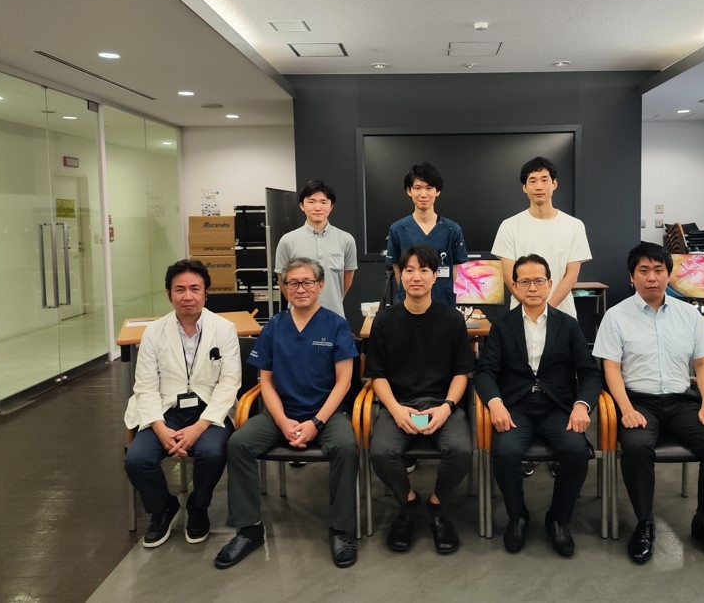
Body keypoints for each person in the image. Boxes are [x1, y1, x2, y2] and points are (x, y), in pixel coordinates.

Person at [593, 242, 704, 567]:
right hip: (638, 402)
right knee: (636, 446)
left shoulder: (689, 315)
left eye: (658, 270)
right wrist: (626, 409)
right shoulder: (616, 317)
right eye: (643, 270)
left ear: (668, 274)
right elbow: (610, 369)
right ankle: (645, 523)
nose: (652, 277)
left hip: (681, 401)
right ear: (631, 277)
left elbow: (703, 364)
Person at [214, 257, 360, 569]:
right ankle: (249, 529)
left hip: (327, 415)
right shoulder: (274, 327)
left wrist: (316, 422)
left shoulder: (336, 325)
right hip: (281, 413)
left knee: (346, 447)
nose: (300, 288)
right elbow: (265, 382)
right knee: (238, 443)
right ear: (283, 287)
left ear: (320, 286)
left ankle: (341, 530)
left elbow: (344, 381)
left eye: (307, 282)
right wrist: (282, 421)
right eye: (292, 283)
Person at [475, 254, 601, 557]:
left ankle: (558, 519)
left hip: (557, 407)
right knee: (505, 452)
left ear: (549, 284)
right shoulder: (502, 326)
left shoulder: (568, 325)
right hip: (515, 406)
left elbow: (590, 373)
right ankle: (517, 517)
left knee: (576, 451)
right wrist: (495, 403)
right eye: (525, 282)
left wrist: (582, 405)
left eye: (539, 280)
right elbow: (485, 372)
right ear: (515, 286)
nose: (532, 287)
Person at [124, 259, 241, 548]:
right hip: (165, 410)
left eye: (194, 289)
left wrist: (200, 427)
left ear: (206, 293)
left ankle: (198, 506)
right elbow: (145, 385)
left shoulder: (224, 329)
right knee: (137, 459)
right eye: (180, 290)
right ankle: (163, 507)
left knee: (211, 452)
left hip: (209, 409)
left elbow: (229, 383)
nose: (187, 296)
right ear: (169, 294)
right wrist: (160, 428)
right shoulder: (154, 332)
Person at [366, 244, 474, 555]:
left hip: (442, 404)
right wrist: (395, 409)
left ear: (435, 276)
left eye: (424, 270)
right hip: (398, 404)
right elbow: (377, 375)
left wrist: (447, 407)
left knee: (460, 450)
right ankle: (409, 503)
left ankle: (437, 505)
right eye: (409, 270)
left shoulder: (452, 319)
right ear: (399, 275)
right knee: (381, 452)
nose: (416, 277)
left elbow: (462, 373)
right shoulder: (384, 320)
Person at [492, 156, 591, 320]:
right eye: (532, 181)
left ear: (554, 184)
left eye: (544, 180)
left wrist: (548, 310)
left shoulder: (574, 225)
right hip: (522, 315)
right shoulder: (509, 226)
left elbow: (572, 275)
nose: (539, 186)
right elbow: (509, 276)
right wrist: (532, 309)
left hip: (562, 315)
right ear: (524, 187)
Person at [386, 162, 468, 307]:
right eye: (417, 188)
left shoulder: (452, 230)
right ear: (409, 191)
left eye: (429, 188)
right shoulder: (397, 230)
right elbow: (397, 267)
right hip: (408, 306)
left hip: (442, 304)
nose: (423, 194)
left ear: (437, 191)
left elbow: (454, 268)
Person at [275, 180, 357, 318]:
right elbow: (282, 280)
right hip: (298, 317)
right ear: (302, 206)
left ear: (331, 206)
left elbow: (347, 278)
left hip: (334, 315)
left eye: (323, 202)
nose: (317, 207)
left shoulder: (346, 239)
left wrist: (335, 299)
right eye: (311, 202)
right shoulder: (287, 241)